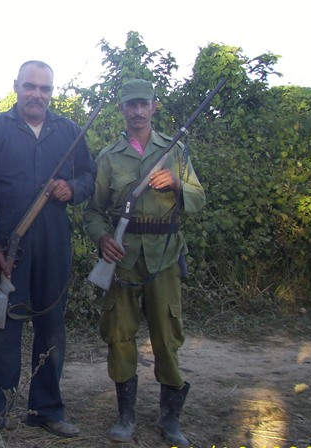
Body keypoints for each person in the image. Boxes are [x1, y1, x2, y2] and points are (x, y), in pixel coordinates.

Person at [0, 60, 96, 438]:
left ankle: (45, 409)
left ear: (51, 93)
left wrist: (72, 189)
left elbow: (89, 176)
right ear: (16, 87)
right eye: (30, 86)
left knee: (52, 327)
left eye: (45, 89)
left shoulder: (69, 131)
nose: (37, 95)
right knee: (0, 328)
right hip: (6, 246)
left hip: (54, 245)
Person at [82, 78, 205, 446]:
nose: (137, 111)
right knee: (119, 334)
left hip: (163, 257)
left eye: (143, 104)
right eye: (130, 105)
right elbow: (92, 212)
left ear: (154, 107)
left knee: (167, 336)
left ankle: (170, 421)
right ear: (122, 109)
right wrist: (103, 239)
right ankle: (126, 416)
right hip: (122, 259)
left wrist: (178, 186)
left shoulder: (175, 151)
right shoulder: (108, 157)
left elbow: (199, 199)